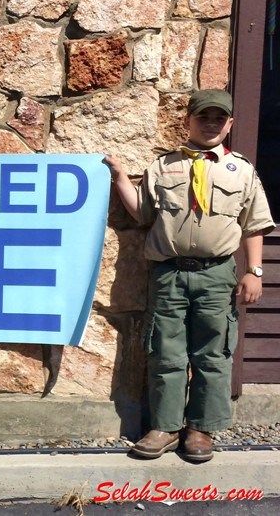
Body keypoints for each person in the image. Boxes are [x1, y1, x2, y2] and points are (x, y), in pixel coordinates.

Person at [105, 89, 275, 462]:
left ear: (230, 123)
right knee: (165, 352)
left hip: (216, 275)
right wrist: (120, 179)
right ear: (188, 120)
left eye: (219, 118)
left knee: (213, 354)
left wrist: (255, 272)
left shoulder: (242, 170)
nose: (211, 123)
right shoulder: (163, 167)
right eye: (204, 116)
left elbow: (254, 225)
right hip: (169, 275)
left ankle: (200, 428)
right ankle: (164, 427)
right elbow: (142, 214)